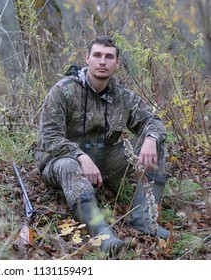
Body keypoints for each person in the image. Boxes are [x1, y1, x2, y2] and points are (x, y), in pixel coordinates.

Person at [35, 35, 170, 257]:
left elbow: (153, 122)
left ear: (116, 63)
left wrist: (151, 138)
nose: (102, 61)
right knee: (69, 164)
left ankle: (144, 220)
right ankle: (102, 233)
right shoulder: (63, 91)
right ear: (87, 58)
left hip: (102, 160)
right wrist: (80, 156)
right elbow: (49, 138)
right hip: (59, 163)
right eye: (97, 55)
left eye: (109, 57)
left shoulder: (123, 97)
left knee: (157, 144)